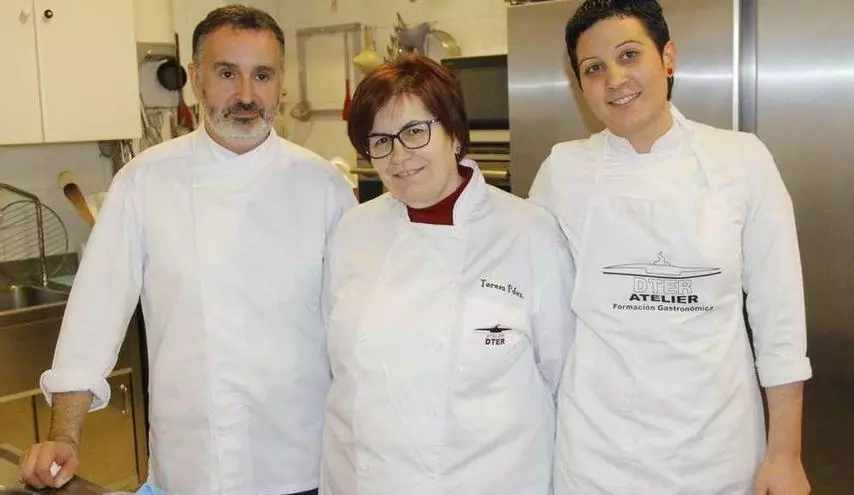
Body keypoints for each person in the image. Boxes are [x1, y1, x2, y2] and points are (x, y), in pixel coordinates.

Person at [19, 5, 355, 495]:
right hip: (192, 465)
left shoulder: (325, 187)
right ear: (196, 78)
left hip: (301, 462)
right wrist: (64, 434)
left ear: (281, 82)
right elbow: (94, 312)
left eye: (262, 75)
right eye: (227, 73)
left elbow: (355, 330)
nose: (246, 95)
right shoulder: (145, 181)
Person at [529, 1, 813, 494]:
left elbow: (779, 318)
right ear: (580, 85)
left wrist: (785, 454)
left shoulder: (741, 160)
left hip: (718, 455)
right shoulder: (562, 172)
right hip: (596, 457)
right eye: (593, 68)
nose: (614, 79)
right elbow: (537, 310)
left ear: (668, 59)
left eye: (629, 55)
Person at [320, 54, 575, 495]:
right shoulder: (353, 231)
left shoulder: (528, 232)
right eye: (380, 140)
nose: (399, 156)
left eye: (415, 131)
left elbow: (564, 380)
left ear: (454, 134)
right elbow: (337, 373)